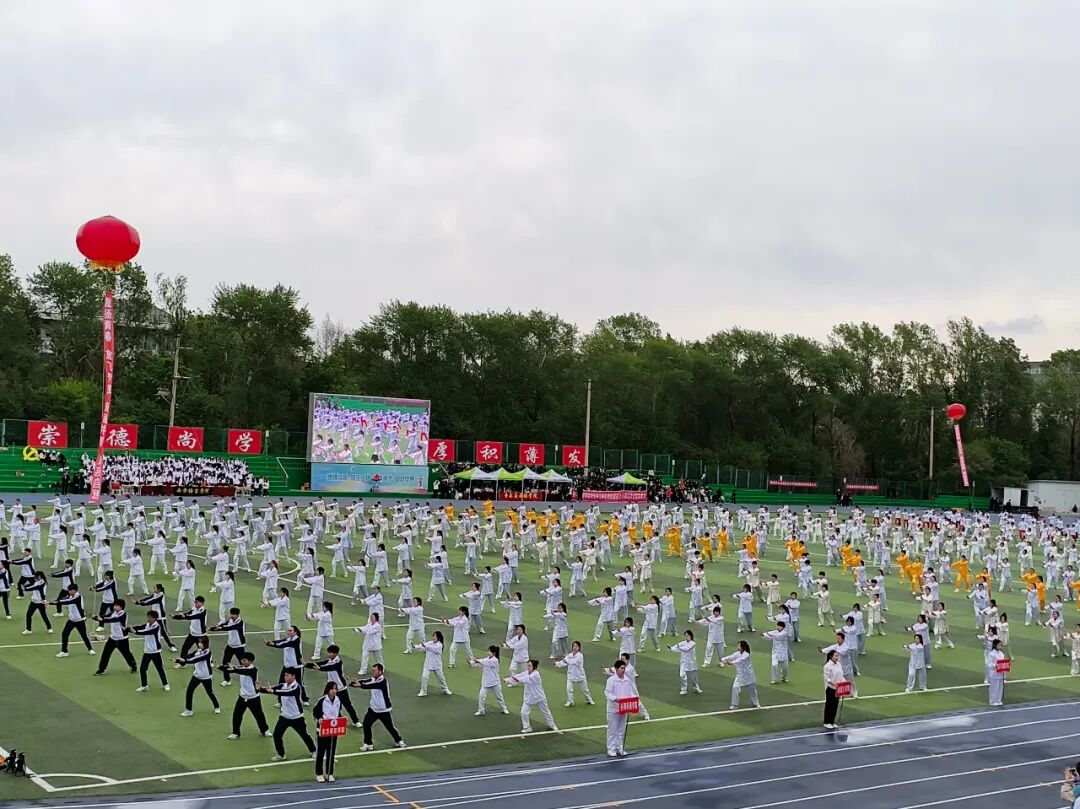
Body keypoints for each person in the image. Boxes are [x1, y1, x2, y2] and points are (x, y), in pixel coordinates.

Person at [262, 669, 317, 761]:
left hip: (296, 717)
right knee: (277, 735)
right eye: (285, 675)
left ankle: (314, 750)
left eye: (288, 676)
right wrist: (260, 689)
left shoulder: (296, 687)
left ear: (293, 676)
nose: (285, 677)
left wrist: (273, 692)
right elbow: (271, 689)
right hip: (284, 716)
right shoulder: (282, 685)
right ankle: (281, 754)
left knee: (304, 735)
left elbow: (287, 693)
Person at [352, 663, 407, 751]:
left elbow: (371, 685)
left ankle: (399, 740)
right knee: (366, 724)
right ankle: (368, 743)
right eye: (372, 670)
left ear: (380, 672)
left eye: (374, 670)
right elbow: (364, 681)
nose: (372, 672)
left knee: (390, 727)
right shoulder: (373, 679)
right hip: (373, 709)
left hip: (384, 710)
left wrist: (361, 685)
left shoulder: (382, 681)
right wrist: (353, 683)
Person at [220, 651, 272, 740]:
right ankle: (235, 733)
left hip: (253, 697)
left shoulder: (253, 670)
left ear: (250, 661)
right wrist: (221, 667)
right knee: (237, 715)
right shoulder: (241, 667)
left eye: (245, 660)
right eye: (242, 660)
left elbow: (242, 671)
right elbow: (233, 668)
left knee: (259, 715)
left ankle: (265, 730)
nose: (242, 662)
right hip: (242, 696)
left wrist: (234, 670)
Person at [505, 658, 558, 733]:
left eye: (529, 666)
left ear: (534, 667)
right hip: (529, 697)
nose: (528, 667)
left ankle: (552, 725)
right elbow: (519, 676)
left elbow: (525, 679)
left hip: (539, 697)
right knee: (523, 712)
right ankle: (527, 727)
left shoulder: (536, 674)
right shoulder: (526, 672)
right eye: (527, 665)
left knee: (546, 712)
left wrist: (510, 680)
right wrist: (508, 679)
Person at [176, 636, 221, 717]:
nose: (199, 644)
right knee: (189, 691)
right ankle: (188, 710)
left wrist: (185, 661)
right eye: (199, 642)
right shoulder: (198, 651)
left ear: (205, 644)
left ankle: (217, 706)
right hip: (196, 675)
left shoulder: (207, 653)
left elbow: (196, 659)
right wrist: (181, 659)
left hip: (206, 676)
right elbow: (190, 656)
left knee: (210, 692)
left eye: (201, 642)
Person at [94, 599, 137, 676]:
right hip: (113, 638)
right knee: (106, 654)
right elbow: (106, 616)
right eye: (114, 605)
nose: (115, 607)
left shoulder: (123, 614)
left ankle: (133, 666)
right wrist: (97, 617)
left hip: (122, 639)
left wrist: (102, 619)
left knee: (126, 654)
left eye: (117, 605)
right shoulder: (113, 613)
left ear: (121, 607)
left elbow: (113, 620)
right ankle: (101, 669)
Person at [130, 610, 170, 692]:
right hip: (147, 651)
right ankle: (144, 685)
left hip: (155, 651)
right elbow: (140, 627)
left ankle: (165, 684)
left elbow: (147, 632)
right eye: (148, 617)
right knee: (143, 669)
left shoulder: (156, 626)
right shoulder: (147, 624)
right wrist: (130, 628)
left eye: (150, 617)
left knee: (160, 669)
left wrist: (135, 632)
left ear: (155, 618)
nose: (148, 619)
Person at [51, 583, 95, 658]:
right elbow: (63, 599)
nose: (69, 592)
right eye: (69, 590)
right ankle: (64, 651)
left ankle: (90, 649)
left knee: (84, 635)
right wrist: (53, 602)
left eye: (71, 590)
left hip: (80, 620)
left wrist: (54, 602)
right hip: (71, 620)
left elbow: (68, 601)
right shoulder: (70, 596)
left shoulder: (78, 597)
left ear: (75, 590)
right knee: (65, 634)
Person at [604, 658, 636, 757]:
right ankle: (611, 748)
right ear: (617, 669)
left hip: (624, 708)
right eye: (621, 668)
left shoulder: (627, 680)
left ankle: (619, 748)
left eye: (624, 668)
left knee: (621, 730)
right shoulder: (611, 680)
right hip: (613, 709)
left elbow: (629, 692)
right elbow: (607, 693)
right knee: (612, 729)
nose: (623, 670)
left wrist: (634, 698)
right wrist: (615, 699)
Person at [312, 682, 343, 783]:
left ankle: (329, 773)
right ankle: (319, 773)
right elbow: (315, 711)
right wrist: (319, 718)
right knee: (321, 753)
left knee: (331, 753)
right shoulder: (322, 700)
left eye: (335, 689)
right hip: (322, 730)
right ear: (328, 690)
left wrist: (340, 720)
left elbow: (338, 712)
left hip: (333, 730)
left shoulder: (338, 700)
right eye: (332, 689)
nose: (334, 691)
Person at [469, 645, 510, 716]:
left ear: (494, 653)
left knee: (499, 697)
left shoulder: (495, 660)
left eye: (490, 651)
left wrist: (476, 660)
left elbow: (485, 662)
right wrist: (471, 662)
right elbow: (480, 664)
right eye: (488, 651)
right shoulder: (486, 659)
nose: (488, 652)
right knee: (481, 696)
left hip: (495, 682)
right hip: (486, 682)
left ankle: (504, 708)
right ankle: (481, 710)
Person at [720, 640, 760, 710]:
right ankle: (734, 705)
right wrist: (723, 659)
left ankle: (756, 703)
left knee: (752, 690)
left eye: (739, 645)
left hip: (749, 675)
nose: (737, 647)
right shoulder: (737, 653)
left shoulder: (746, 654)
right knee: (735, 687)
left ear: (743, 647)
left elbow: (740, 660)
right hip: (740, 675)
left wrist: (732, 663)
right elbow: (731, 657)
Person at [822, 648, 845, 729]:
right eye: (835, 656)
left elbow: (841, 676)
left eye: (837, 656)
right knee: (829, 705)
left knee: (835, 705)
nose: (837, 657)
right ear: (831, 656)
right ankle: (827, 722)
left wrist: (845, 683)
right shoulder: (827, 666)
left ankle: (832, 721)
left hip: (837, 688)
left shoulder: (838, 664)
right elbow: (826, 678)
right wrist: (833, 683)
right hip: (830, 688)